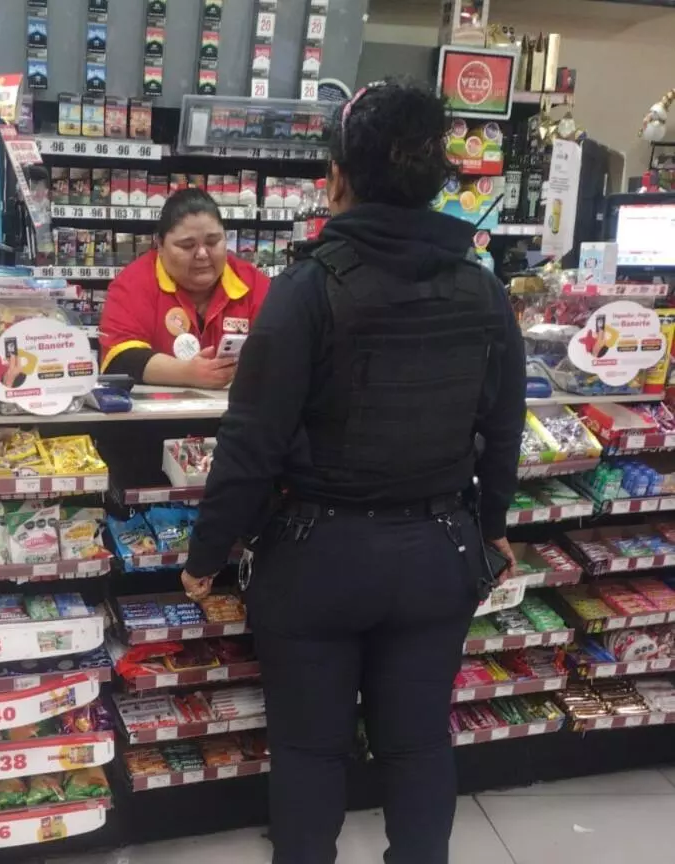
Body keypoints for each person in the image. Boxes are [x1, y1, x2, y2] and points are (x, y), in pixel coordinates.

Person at [181, 80, 526, 864]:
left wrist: (206, 554)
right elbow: (503, 426)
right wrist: (494, 525)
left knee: (309, 751)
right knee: (417, 744)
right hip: (438, 551)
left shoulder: (308, 288)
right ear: (437, 177)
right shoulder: (481, 288)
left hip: (317, 558)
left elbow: (251, 443)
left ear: (337, 177)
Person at [99, 188, 270, 387]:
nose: (202, 254)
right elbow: (119, 358)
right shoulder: (133, 283)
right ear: (160, 245)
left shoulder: (254, 283)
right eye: (187, 246)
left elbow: (282, 350)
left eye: (213, 242)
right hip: (157, 406)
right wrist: (187, 373)